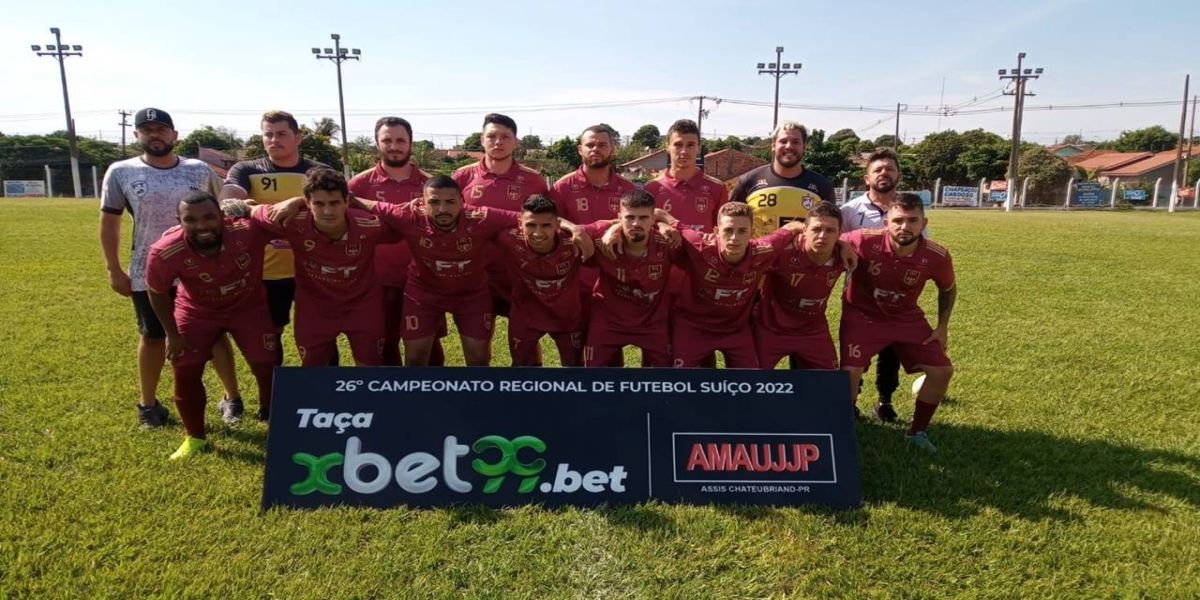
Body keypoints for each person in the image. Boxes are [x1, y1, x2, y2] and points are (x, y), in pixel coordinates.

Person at [286, 175, 589, 366]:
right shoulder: (406, 214)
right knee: (416, 355)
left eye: (450, 202)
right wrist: (297, 202)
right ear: (423, 203)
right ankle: (422, 410)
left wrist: (572, 226)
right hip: (424, 293)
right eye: (435, 203)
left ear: (462, 201)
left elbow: (531, 217)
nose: (443, 209)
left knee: (478, 357)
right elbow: (352, 200)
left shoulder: (482, 217)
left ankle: (477, 407)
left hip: (471, 294)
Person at [99, 107, 241, 428]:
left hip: (201, 269)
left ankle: (232, 398)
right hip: (148, 271)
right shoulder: (121, 171)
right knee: (152, 336)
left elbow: (224, 214)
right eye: (147, 130)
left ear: (175, 135)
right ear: (137, 135)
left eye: (161, 129)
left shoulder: (199, 170)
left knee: (215, 334)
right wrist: (113, 268)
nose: (155, 135)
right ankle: (148, 405)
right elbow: (110, 222)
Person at [144, 191, 277, 459]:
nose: (201, 226)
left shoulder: (248, 230)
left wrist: (252, 209)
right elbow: (156, 292)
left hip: (248, 308)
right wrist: (172, 334)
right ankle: (194, 437)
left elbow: (290, 222)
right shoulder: (165, 250)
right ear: (178, 221)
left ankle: (271, 416)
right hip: (197, 311)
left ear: (222, 216)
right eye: (190, 220)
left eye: (209, 217)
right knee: (186, 368)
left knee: (266, 362)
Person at [840, 193, 956, 452]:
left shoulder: (936, 255)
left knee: (942, 371)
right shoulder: (863, 240)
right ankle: (843, 431)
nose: (905, 227)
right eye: (898, 220)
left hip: (906, 318)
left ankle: (917, 433)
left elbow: (948, 288)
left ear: (924, 223)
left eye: (912, 220)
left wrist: (942, 327)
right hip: (862, 315)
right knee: (849, 374)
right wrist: (840, 245)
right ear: (886, 223)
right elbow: (826, 238)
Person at [220, 110, 330, 377]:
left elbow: (335, 201)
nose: (274, 140)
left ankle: (325, 389)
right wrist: (232, 202)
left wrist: (296, 201)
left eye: (281, 134)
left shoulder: (318, 171)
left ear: (297, 137)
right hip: (266, 270)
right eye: (268, 134)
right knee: (271, 334)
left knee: (321, 331)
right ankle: (274, 395)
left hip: (313, 268)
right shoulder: (246, 169)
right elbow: (230, 199)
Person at [251, 168, 389, 367]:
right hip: (314, 309)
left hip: (363, 306)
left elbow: (403, 223)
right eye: (318, 203)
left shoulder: (370, 225)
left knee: (369, 368)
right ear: (307, 203)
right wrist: (244, 206)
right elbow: (254, 211)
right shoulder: (290, 220)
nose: (327, 211)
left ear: (347, 201)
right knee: (314, 370)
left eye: (334, 203)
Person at [347, 116, 446, 366]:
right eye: (387, 140)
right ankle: (393, 403)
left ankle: (434, 401)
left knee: (430, 344)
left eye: (400, 140)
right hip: (378, 280)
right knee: (386, 343)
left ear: (411, 143)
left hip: (425, 280)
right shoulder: (358, 184)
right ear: (377, 143)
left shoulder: (429, 184)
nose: (394, 146)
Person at [669, 202, 804, 368]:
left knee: (749, 383)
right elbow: (661, 214)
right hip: (694, 327)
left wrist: (840, 244)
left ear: (751, 232)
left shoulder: (764, 250)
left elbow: (794, 226)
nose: (734, 238)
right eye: (728, 230)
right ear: (717, 232)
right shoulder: (699, 244)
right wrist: (663, 225)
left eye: (742, 231)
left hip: (736, 329)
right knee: (681, 384)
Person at [452, 113, 550, 319]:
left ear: (515, 142)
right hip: (475, 273)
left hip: (519, 272)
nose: (498, 142)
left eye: (505, 137)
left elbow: (547, 223)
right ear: (482, 140)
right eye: (492, 136)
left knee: (525, 339)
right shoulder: (462, 176)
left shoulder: (534, 181)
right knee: (479, 340)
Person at [840, 148, 907, 422]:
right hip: (859, 297)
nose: (884, 173)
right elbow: (838, 244)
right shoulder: (849, 210)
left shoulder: (907, 210)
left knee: (892, 352)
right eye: (878, 170)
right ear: (866, 177)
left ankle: (885, 402)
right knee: (856, 355)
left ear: (898, 176)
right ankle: (851, 403)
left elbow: (918, 246)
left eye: (890, 169)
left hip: (897, 296)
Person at [582, 190, 677, 368]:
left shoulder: (668, 242)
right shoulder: (602, 238)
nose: (636, 223)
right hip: (608, 320)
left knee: (664, 381)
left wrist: (670, 224)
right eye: (629, 218)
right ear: (619, 217)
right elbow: (562, 229)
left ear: (653, 219)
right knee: (594, 378)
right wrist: (577, 230)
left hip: (652, 321)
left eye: (643, 218)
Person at [494, 195, 585, 366]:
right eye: (530, 225)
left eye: (546, 225)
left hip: (567, 317)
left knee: (575, 368)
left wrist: (610, 231)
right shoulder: (508, 239)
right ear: (520, 224)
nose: (537, 233)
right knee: (521, 367)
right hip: (526, 315)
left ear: (557, 225)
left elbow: (611, 226)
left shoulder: (574, 241)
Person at [754, 201, 846, 370]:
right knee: (753, 382)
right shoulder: (782, 253)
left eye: (830, 230)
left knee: (830, 384)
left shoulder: (844, 255)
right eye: (816, 229)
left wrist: (845, 246)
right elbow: (752, 252)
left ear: (840, 234)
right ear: (805, 231)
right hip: (770, 328)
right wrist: (786, 230)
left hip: (812, 330)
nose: (822, 236)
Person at [730, 120, 835, 237]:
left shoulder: (822, 185)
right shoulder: (748, 181)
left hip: (803, 255)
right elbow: (728, 223)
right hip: (760, 254)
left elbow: (831, 228)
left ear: (804, 147)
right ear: (773, 145)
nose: (789, 146)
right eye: (783, 141)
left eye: (796, 142)